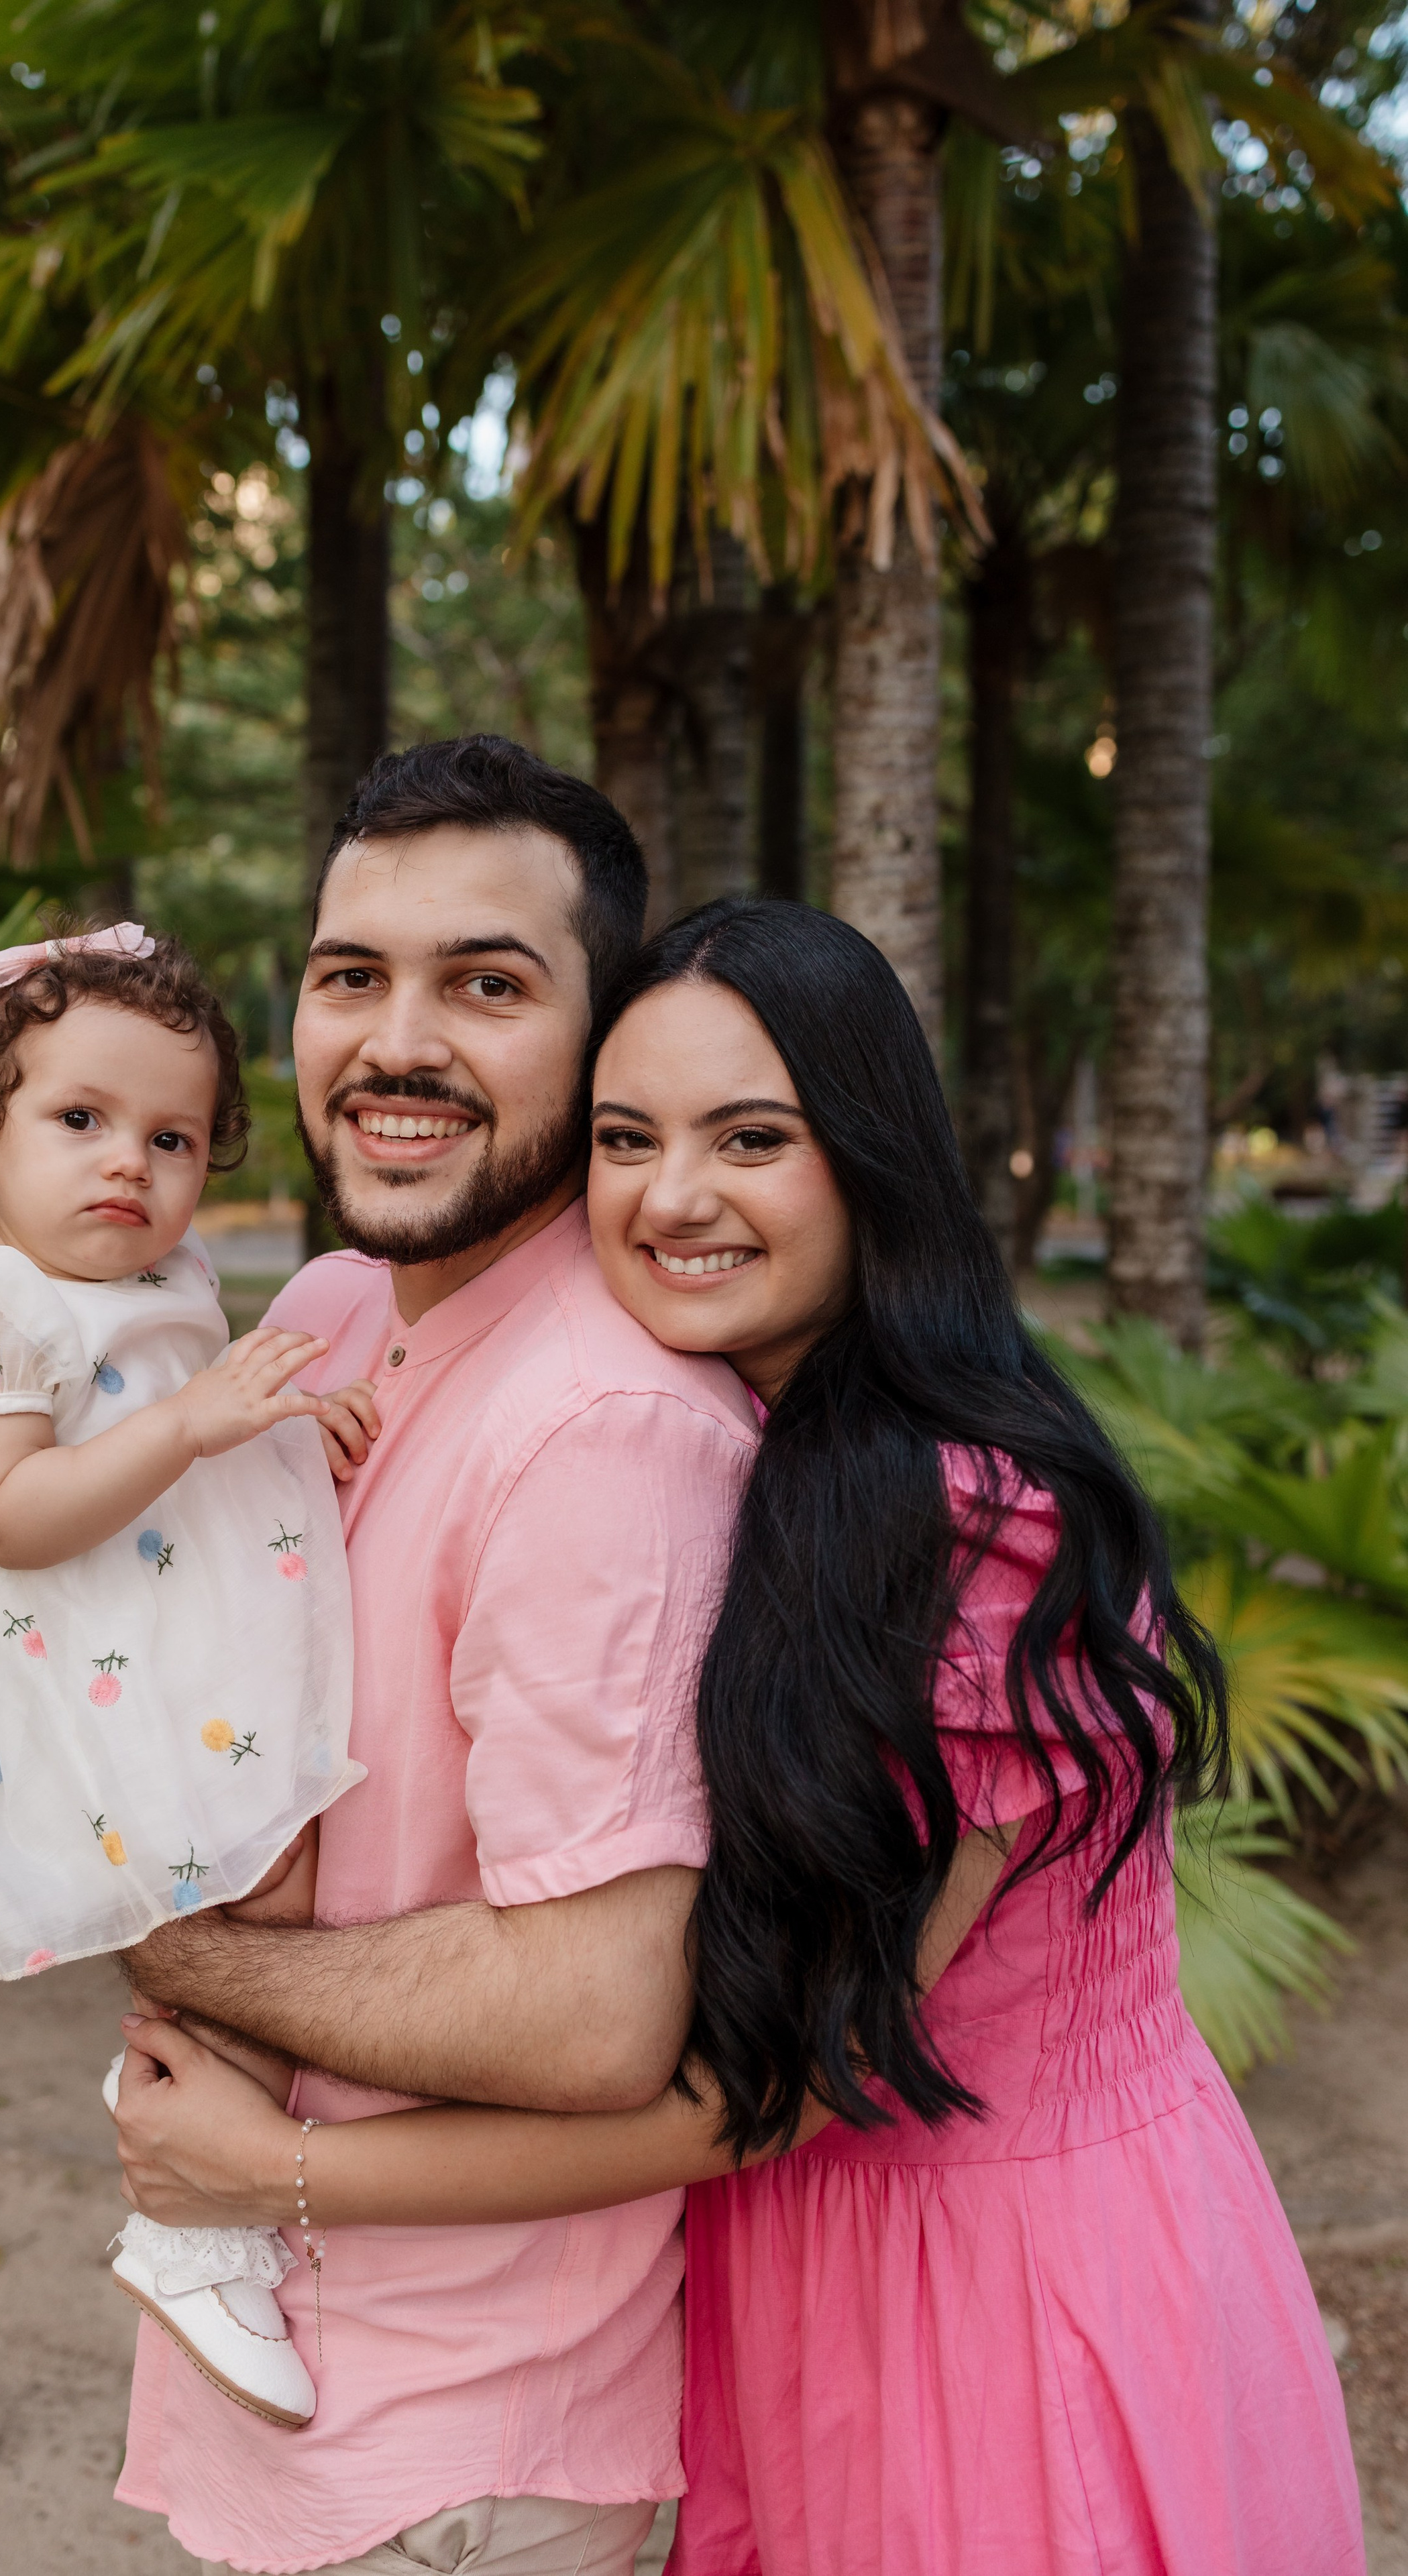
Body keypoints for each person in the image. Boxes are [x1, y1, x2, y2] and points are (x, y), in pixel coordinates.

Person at [119, 898, 1366, 2576]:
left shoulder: (971, 1528)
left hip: (993, 2282)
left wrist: (277, 2169)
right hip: (785, 2283)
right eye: (626, 1139)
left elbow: (798, 2081)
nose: (671, 1196)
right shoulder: (749, 1449)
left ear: (869, 1160)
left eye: (750, 1137)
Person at [114, 740, 760, 2575]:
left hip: (464, 2453)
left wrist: (182, 1948)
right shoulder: (323, 1318)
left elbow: (593, 2010)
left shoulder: (606, 1431)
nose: (397, 1043)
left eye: (486, 983)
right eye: (350, 978)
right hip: (286, 2366)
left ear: (606, 1036)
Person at [0, 920, 375, 2427]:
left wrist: (299, 1421)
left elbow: (195, 1408)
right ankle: (191, 2223)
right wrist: (204, 1426)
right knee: (231, 1904)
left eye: (169, 1136)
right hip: (86, 1673)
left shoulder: (173, 1275)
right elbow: (14, 1515)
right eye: (78, 1120)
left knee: (265, 1888)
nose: (127, 1165)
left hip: (193, 1646)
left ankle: (175, 2130)